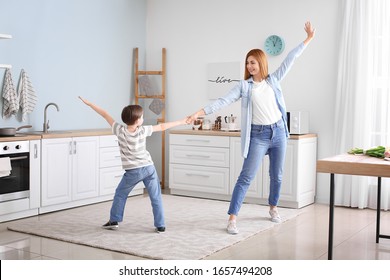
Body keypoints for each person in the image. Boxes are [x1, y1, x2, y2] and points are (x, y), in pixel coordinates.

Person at [188, 21, 316, 234]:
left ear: (262, 63)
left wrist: (308, 39)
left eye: (253, 62)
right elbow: (222, 101)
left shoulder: (273, 81)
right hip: (258, 136)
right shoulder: (244, 86)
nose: (250, 66)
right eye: (248, 62)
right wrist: (199, 113)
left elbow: (290, 59)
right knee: (246, 177)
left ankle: (273, 208)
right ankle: (232, 218)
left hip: (278, 134)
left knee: (277, 175)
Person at [79, 96, 188, 232]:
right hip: (149, 168)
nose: (143, 119)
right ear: (137, 121)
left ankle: (114, 220)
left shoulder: (118, 130)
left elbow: (105, 114)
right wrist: (182, 121)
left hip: (133, 172)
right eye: (141, 117)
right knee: (156, 196)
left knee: (120, 194)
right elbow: (162, 126)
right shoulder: (143, 130)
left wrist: (90, 104)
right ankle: (160, 225)